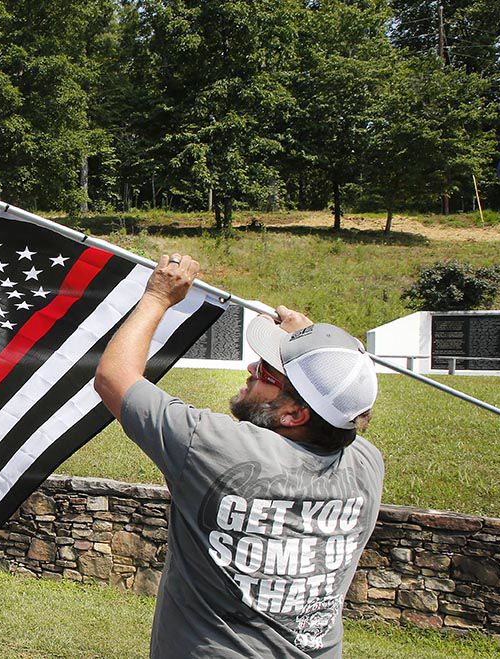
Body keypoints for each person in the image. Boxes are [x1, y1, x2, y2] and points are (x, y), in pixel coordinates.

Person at [94, 253, 383, 658]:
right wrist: (310, 340)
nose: (251, 367)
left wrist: (158, 297)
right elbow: (344, 396)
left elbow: (114, 378)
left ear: (293, 414)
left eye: (267, 372)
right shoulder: (366, 466)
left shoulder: (216, 448)